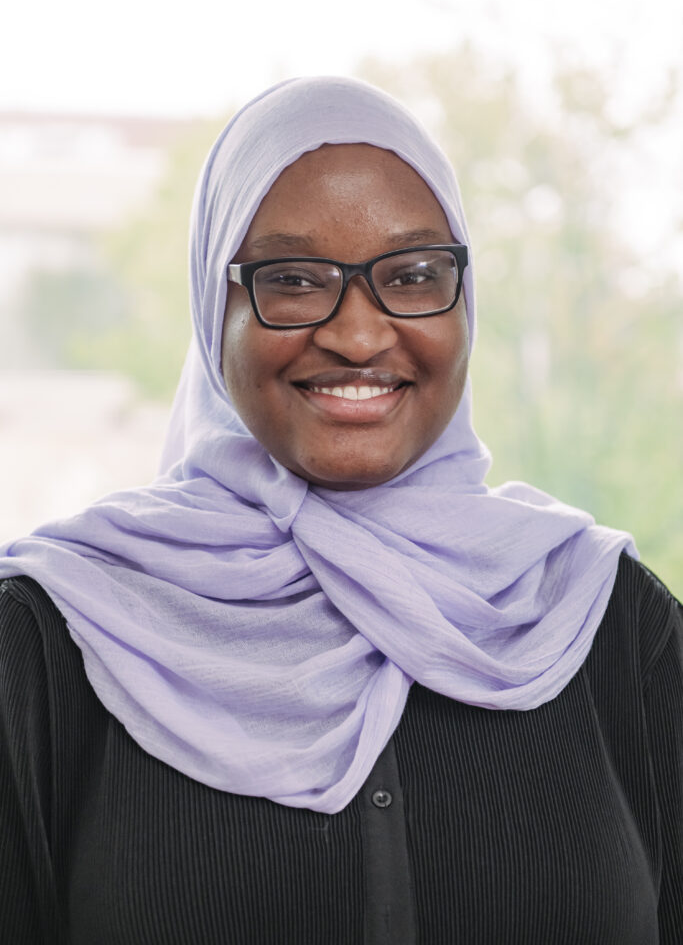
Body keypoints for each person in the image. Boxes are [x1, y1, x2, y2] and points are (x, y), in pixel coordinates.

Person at [0, 76, 680, 945]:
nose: (358, 335)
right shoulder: (54, 639)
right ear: (218, 310)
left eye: (413, 274)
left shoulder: (606, 619)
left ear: (465, 300)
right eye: (291, 279)